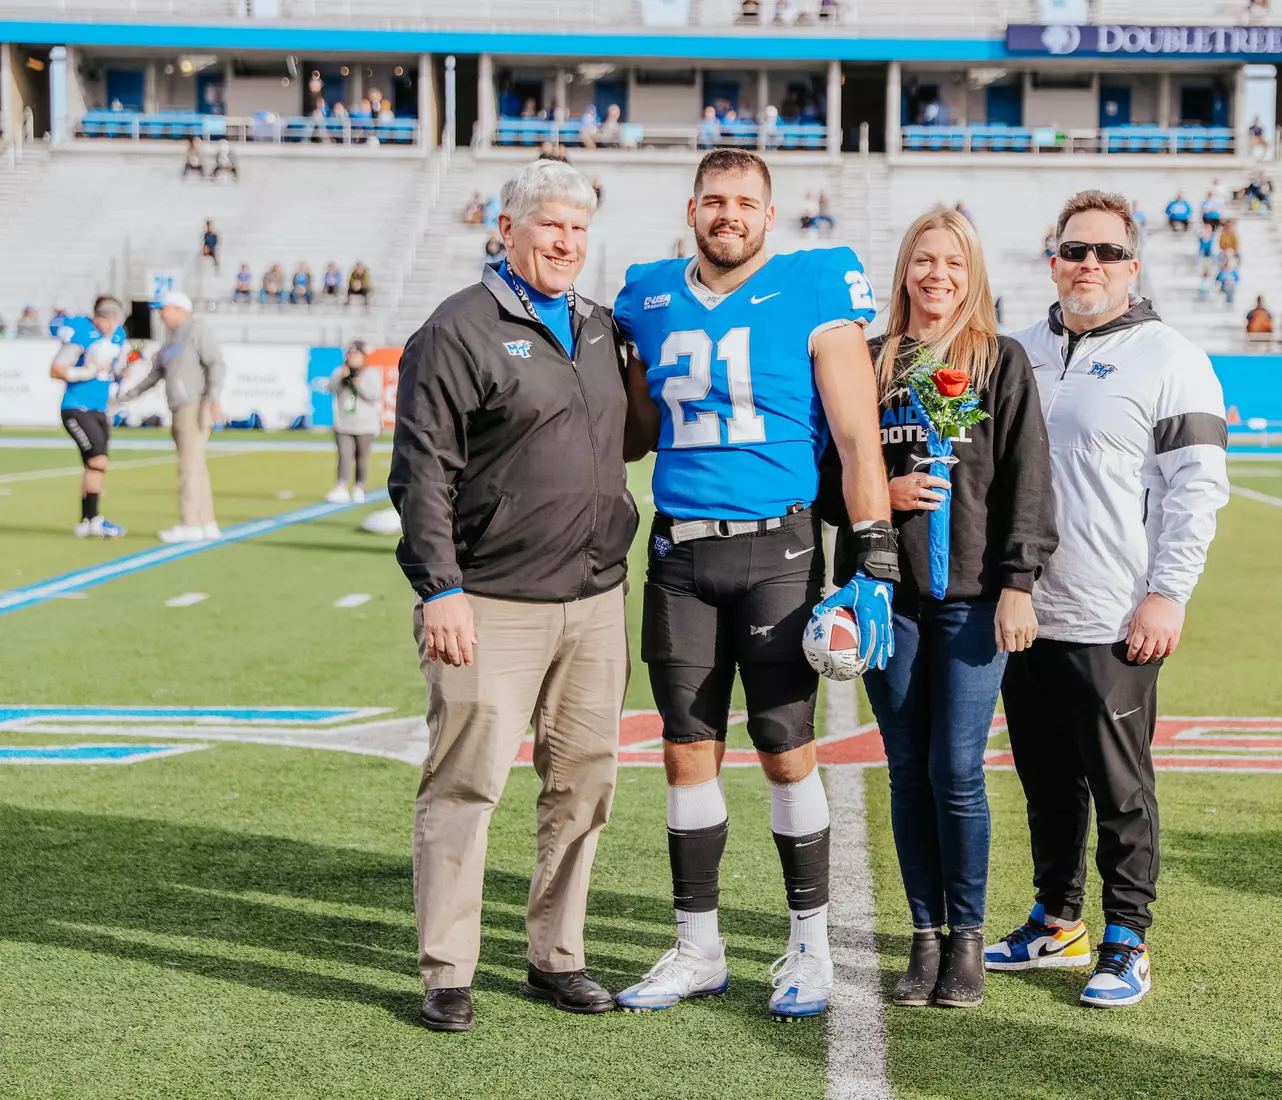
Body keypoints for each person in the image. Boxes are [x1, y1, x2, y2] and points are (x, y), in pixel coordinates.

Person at [611, 149, 895, 1020]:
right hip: (679, 557)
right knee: (685, 748)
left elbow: (855, 437)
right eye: (714, 201)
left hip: (778, 552)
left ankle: (809, 945)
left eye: (745, 202)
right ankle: (698, 947)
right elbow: (632, 436)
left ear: (770, 216)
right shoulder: (646, 294)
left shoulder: (815, 284)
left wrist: (875, 557)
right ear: (690, 209)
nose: (728, 215)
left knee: (783, 744)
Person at [387, 159, 634, 1034]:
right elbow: (421, 471)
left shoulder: (602, 328)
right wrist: (440, 587)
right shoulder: (459, 328)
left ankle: (555, 954)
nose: (566, 243)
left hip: (596, 600)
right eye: (549, 227)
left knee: (583, 786)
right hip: (490, 599)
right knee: (466, 786)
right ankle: (448, 969)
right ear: (507, 229)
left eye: (578, 229)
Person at [818, 207, 1056, 1011]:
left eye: (953, 263)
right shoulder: (870, 360)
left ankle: (965, 939)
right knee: (907, 773)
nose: (938, 276)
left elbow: (1028, 479)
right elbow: (825, 483)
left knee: (956, 770)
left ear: (973, 274)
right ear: (903, 271)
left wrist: (1019, 583)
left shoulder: (1001, 360)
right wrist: (877, 494)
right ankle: (922, 936)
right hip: (888, 601)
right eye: (924, 260)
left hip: (974, 601)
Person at [996, 189, 1228, 1009]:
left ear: (1132, 266)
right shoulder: (1014, 348)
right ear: (1052, 259)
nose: (1087, 264)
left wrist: (1167, 593)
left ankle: (1128, 937)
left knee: (1121, 787)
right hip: (1022, 610)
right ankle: (1057, 921)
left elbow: (1197, 488)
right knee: (1045, 780)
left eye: (1105, 253)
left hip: (1111, 611)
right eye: (1073, 250)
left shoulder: (1173, 357)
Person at [118, 292, 224, 544]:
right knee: (196, 466)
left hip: (194, 404)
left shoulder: (197, 330)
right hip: (179, 406)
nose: (161, 314)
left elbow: (216, 364)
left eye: (164, 309)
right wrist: (129, 395)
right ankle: (205, 521)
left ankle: (190, 522)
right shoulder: (171, 339)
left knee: (188, 466)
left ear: (179, 308)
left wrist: (213, 398)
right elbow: (156, 374)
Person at [50, 295, 129, 539]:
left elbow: (115, 369)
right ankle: (93, 519)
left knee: (94, 465)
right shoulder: (81, 332)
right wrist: (88, 371)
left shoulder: (118, 335)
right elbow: (56, 370)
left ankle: (88, 520)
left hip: (99, 407)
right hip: (77, 407)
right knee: (98, 460)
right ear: (96, 317)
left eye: (114, 319)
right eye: (106, 319)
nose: (110, 325)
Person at [324, 340, 382, 504]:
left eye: (356, 354)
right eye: (350, 354)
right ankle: (341, 486)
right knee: (344, 455)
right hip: (344, 422)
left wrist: (359, 385)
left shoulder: (370, 373)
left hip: (365, 424)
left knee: (361, 457)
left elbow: (374, 395)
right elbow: (330, 388)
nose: (352, 358)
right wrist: (340, 378)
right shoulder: (340, 371)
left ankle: (359, 487)